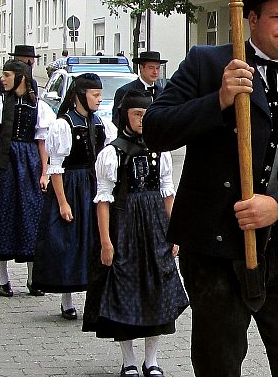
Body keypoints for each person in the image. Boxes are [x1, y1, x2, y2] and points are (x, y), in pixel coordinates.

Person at [142, 0, 278, 376]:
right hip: (216, 251)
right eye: (277, 16)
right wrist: (217, 99)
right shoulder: (208, 63)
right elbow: (155, 130)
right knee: (217, 363)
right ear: (251, 19)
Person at [83, 89, 188, 377]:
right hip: (124, 227)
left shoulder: (160, 150)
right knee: (124, 291)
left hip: (155, 228)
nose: (143, 120)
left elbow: (168, 195)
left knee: (157, 291)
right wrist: (106, 241)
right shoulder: (111, 153)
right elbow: (103, 201)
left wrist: (174, 232)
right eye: (137, 114)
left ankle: (151, 360)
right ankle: (128, 360)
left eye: (146, 114)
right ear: (124, 116)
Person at [32, 73, 117, 320]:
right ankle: (67, 299)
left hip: (94, 184)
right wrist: (62, 202)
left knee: (96, 239)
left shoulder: (102, 124)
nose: (100, 100)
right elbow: (55, 167)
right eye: (95, 95)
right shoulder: (63, 124)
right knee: (69, 241)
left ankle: (97, 297)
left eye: (100, 94)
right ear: (81, 95)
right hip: (72, 185)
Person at [0, 59, 55, 297]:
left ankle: (34, 278)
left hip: (29, 164)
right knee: (1, 216)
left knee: (31, 218)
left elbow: (42, 142)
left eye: (7, 75)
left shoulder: (38, 106)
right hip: (4, 164)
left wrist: (45, 172)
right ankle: (3, 279)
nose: (2, 79)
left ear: (20, 77)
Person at [111, 51, 166, 127]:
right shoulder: (125, 91)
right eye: (151, 68)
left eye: (157, 68)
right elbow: (117, 120)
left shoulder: (162, 92)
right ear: (141, 68)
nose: (155, 72)